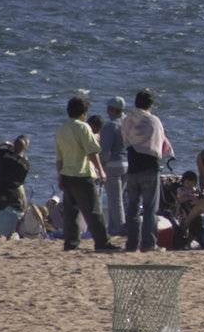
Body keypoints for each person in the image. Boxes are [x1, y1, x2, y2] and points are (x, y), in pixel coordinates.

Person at [55, 95, 117, 252]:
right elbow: (92, 152)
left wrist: (59, 175)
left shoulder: (62, 129)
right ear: (84, 113)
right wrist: (101, 171)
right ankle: (102, 242)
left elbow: (59, 157)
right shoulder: (83, 127)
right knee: (93, 210)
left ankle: (71, 243)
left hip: (67, 174)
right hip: (82, 174)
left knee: (70, 213)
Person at [121, 90, 172, 252]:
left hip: (133, 166)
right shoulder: (154, 121)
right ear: (150, 105)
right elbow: (161, 144)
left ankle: (131, 244)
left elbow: (125, 140)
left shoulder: (127, 120)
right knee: (150, 208)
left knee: (132, 207)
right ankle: (148, 244)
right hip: (150, 168)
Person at [0, 136, 31, 238]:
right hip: (14, 194)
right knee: (12, 222)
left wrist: (5, 145)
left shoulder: (4, 154)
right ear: (25, 148)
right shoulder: (25, 164)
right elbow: (21, 182)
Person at [100, 97, 129, 233]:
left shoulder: (110, 126)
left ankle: (119, 227)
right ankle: (112, 227)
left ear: (111, 109)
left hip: (113, 165)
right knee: (119, 198)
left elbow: (105, 151)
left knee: (115, 199)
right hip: (127, 163)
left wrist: (100, 166)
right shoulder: (128, 123)